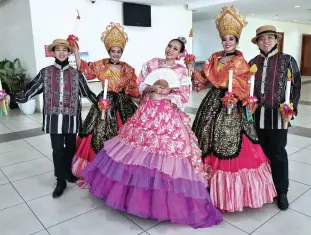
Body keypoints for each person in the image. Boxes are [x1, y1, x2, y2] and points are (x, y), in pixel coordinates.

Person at [81, 37, 223, 228]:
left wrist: (165, 94)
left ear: (181, 54)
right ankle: (134, 197)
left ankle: (158, 202)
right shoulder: (152, 63)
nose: (170, 50)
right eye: (169, 46)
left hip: (167, 114)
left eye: (175, 49)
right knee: (137, 151)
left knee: (166, 155)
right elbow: (140, 86)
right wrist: (151, 88)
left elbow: (183, 96)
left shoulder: (181, 71)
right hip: (147, 111)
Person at [189, 6, 276, 212]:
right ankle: (205, 185)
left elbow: (245, 85)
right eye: (224, 39)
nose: (227, 43)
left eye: (231, 39)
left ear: (237, 41)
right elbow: (203, 81)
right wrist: (193, 72)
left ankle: (232, 194)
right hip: (212, 102)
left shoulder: (240, 61)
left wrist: (235, 96)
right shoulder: (214, 58)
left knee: (233, 143)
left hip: (232, 103)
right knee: (205, 138)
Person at [14, 39, 98, 198]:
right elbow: (32, 89)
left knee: (71, 147)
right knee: (58, 149)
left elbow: (86, 92)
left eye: (64, 50)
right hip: (54, 120)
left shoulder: (76, 74)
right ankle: (61, 180)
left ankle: (66, 171)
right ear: (53, 53)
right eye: (58, 50)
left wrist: (101, 102)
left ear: (69, 53)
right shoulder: (45, 73)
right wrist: (14, 96)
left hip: (71, 119)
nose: (61, 53)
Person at [71, 22, 140, 187]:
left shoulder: (128, 69)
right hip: (104, 103)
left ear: (122, 52)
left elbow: (133, 90)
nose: (116, 54)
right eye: (113, 51)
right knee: (98, 133)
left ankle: (121, 169)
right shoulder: (100, 64)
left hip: (123, 105)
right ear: (109, 51)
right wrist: (75, 50)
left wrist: (144, 103)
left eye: (119, 51)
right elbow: (84, 69)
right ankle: (98, 167)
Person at [249, 25, 301, 210]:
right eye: (262, 38)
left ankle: (282, 191)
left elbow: (295, 87)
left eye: (270, 37)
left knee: (278, 153)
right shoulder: (252, 62)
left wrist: (290, 109)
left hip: (278, 117)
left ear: (276, 40)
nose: (266, 41)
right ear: (258, 43)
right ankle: (263, 188)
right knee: (259, 155)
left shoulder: (287, 61)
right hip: (256, 117)